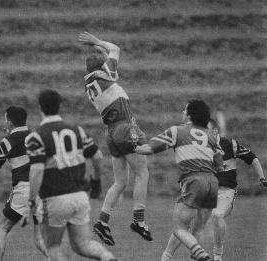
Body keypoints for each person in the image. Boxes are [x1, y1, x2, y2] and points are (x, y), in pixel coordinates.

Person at [25, 89, 119, 261]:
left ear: (39, 108)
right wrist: (96, 181)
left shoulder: (36, 137)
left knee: (52, 246)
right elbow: (97, 156)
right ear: (60, 106)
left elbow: (37, 170)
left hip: (55, 198)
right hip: (80, 196)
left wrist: (31, 201)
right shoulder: (78, 131)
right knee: (82, 245)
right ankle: (108, 257)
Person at [78, 32, 152, 245]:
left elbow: (108, 57)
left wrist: (99, 50)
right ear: (102, 67)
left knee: (120, 181)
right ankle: (139, 220)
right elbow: (116, 49)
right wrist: (96, 42)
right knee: (142, 173)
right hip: (125, 126)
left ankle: (102, 221)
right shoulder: (104, 75)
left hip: (111, 132)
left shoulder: (92, 82)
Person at [160, 119, 267, 261]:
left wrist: (262, 178)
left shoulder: (230, 145)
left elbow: (253, 158)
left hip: (225, 191)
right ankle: (165, 257)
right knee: (183, 223)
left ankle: (217, 256)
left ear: (215, 131)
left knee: (217, 215)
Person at [135, 99, 223, 261]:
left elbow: (148, 149)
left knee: (179, 227)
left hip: (194, 181)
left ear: (190, 114)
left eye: (185, 110)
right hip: (213, 183)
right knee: (192, 231)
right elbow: (220, 165)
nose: (183, 112)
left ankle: (202, 255)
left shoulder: (176, 131)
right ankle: (168, 257)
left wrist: (134, 146)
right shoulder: (212, 135)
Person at [0, 106, 48, 260]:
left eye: (5, 119)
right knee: (39, 236)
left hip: (24, 188)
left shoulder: (9, 140)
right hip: (43, 189)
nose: (4, 123)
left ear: (11, 122)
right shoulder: (36, 136)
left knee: (2, 228)